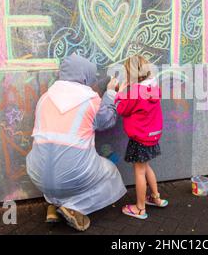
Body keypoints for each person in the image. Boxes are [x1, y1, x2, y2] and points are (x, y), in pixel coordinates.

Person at [26, 54, 126, 231]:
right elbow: (107, 121)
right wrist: (110, 93)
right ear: (85, 76)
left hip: (37, 173)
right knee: (110, 173)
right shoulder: (90, 99)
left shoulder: (45, 98)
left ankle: (53, 206)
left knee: (53, 166)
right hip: (73, 174)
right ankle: (75, 208)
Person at [115, 55, 168, 220]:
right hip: (152, 136)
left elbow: (122, 110)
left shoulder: (136, 92)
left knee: (139, 171)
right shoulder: (152, 88)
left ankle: (140, 208)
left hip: (140, 138)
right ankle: (156, 198)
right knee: (146, 167)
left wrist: (120, 93)